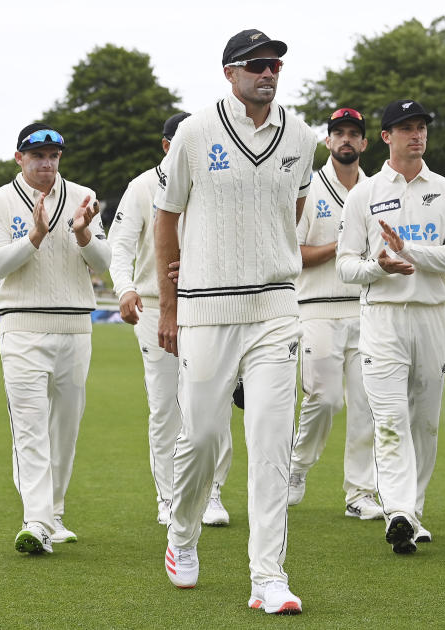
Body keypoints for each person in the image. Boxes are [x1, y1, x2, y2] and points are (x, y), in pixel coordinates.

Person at [154, 28, 317, 614]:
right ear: (230, 72)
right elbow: (166, 217)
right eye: (256, 65)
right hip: (207, 308)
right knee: (199, 437)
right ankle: (181, 534)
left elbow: (294, 205)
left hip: (275, 308)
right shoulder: (195, 134)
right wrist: (169, 308)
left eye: (275, 64)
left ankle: (268, 577)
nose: (268, 73)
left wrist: (276, 258)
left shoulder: (300, 135)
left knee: (272, 441)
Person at [337, 99, 445, 554]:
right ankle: (397, 511)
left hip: (432, 315)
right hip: (383, 319)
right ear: (386, 137)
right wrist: (380, 266)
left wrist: (410, 252)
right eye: (406, 128)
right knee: (391, 419)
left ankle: (414, 511)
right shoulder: (365, 194)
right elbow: (346, 267)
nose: (416, 135)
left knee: (424, 422)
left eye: (421, 128)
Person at [0, 123, 111, 554]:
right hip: (22, 326)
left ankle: (53, 513)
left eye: (53, 156)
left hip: (75, 325)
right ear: (19, 158)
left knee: (65, 428)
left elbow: (105, 261)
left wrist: (82, 233)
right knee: (30, 427)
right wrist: (34, 235)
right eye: (37, 156)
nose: (46, 164)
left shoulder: (84, 197)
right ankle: (34, 521)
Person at [108, 112, 232, 527]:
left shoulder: (213, 184)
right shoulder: (142, 186)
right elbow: (120, 248)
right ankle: (168, 497)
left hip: (207, 304)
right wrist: (125, 289)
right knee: (165, 406)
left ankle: (211, 492)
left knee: (211, 403)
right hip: (151, 305)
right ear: (167, 146)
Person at [285, 107, 381, 520]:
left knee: (366, 403)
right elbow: (294, 254)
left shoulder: (377, 190)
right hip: (316, 309)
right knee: (325, 399)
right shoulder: (309, 189)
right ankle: (296, 469)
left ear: (364, 143)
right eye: (338, 133)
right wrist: (342, 248)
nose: (345, 140)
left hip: (366, 310)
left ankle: (359, 493)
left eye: (353, 134)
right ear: (328, 141)